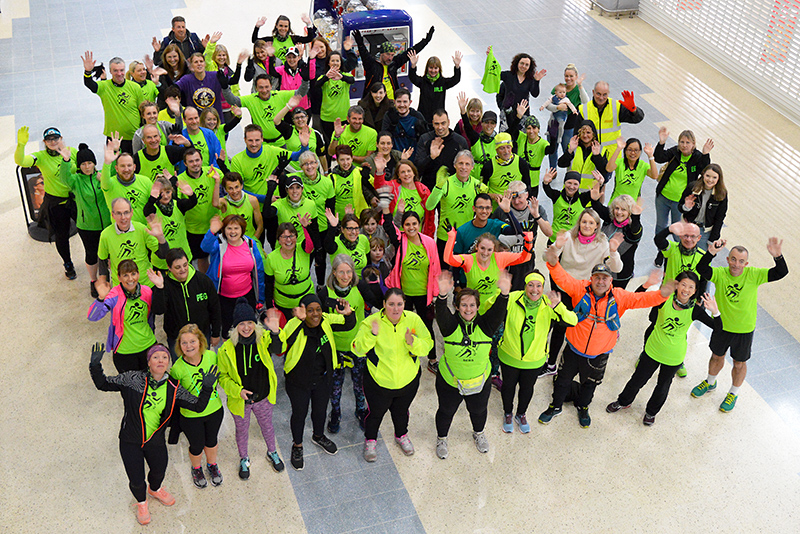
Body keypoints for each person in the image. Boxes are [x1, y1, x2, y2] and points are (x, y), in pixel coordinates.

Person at [538, 247, 675, 428]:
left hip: (599, 354)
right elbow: (563, 279)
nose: (600, 281)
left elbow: (641, 300)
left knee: (590, 385)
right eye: (597, 277)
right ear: (591, 279)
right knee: (562, 381)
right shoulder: (580, 289)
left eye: (605, 278)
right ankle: (555, 406)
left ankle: (583, 407)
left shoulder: (619, 297)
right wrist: (553, 263)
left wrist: (662, 294)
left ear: (611, 280)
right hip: (573, 349)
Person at [90, 342, 216, 525]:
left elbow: (197, 406)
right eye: (155, 357)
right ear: (148, 362)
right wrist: (95, 366)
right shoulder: (132, 378)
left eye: (165, 357)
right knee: (136, 479)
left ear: (168, 363)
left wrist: (206, 389)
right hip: (130, 439)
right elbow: (103, 384)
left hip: (154, 440)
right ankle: (142, 503)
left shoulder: (174, 387)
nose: (160, 360)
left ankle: (155, 489)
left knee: (159, 470)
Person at [607, 273, 719, 425]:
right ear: (677, 285)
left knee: (663, 386)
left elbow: (718, 328)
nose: (686, 289)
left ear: (695, 291)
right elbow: (637, 299)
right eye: (683, 284)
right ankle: (623, 401)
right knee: (638, 378)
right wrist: (647, 284)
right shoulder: (663, 299)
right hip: (653, 349)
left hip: (674, 356)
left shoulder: (695, 310)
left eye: (691, 287)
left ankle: (651, 413)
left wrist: (715, 312)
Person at [691, 237, 788, 412]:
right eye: (733, 259)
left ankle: (733, 393)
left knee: (739, 363)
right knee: (716, 357)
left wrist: (778, 256)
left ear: (746, 263)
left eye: (741, 261)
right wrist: (712, 251)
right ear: (728, 259)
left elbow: (781, 272)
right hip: (721, 326)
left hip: (744, 330)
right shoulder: (720, 273)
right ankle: (710, 382)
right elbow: (701, 269)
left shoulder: (754, 275)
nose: (736, 264)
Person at [267, 294, 355, 470]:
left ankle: (318, 436)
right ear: (302, 312)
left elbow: (348, 324)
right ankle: (297, 446)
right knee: (299, 415)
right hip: (298, 382)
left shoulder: (325, 320)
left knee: (320, 411)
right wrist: (275, 332)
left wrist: (348, 312)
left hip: (322, 379)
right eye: (310, 310)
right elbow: (278, 348)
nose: (315, 314)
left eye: (318, 309)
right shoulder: (294, 325)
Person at [434, 270, 511, 459]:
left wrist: (504, 294)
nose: (468, 309)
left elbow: (499, 312)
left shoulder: (485, 326)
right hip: (450, 382)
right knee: (446, 411)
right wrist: (442, 295)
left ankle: (478, 433)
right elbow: (441, 313)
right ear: (457, 307)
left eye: (472, 305)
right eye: (463, 305)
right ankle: (442, 438)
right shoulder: (450, 325)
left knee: (478, 411)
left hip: (479, 382)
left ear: (477, 307)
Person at [352, 288, 434, 462]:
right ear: (384, 304)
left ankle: (401, 435)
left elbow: (428, 345)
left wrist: (413, 342)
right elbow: (357, 349)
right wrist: (372, 335)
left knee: (401, 412)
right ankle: (371, 440)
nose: (396, 309)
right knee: (375, 414)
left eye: (399, 304)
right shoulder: (371, 322)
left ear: (404, 304)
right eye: (391, 304)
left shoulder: (413, 320)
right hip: (379, 383)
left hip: (408, 381)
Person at [544, 207, 624, 375]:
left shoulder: (602, 242)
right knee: (559, 326)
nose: (587, 225)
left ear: (597, 226)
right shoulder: (568, 237)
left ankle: (568, 364)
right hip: (565, 287)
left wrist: (614, 251)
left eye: (591, 223)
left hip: (584, 292)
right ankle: (551, 364)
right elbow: (546, 257)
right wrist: (556, 247)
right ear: (579, 222)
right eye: (584, 221)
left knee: (577, 326)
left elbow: (617, 268)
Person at [498, 270, 577, 433]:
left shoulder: (549, 304)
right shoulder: (512, 298)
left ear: (543, 288)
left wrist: (559, 306)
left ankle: (521, 414)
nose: (534, 290)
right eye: (531, 285)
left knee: (527, 388)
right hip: (509, 356)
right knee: (508, 387)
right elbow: (488, 307)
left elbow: (573, 320)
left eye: (538, 285)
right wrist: (502, 294)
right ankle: (507, 413)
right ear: (524, 286)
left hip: (535, 359)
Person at [217, 298, 284, 479]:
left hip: (263, 397)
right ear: (235, 326)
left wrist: (276, 331)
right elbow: (222, 377)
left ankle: (272, 452)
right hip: (240, 401)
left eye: (250, 323)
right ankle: (244, 458)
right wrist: (237, 391)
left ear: (255, 324)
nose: (246, 328)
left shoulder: (264, 339)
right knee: (242, 431)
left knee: (267, 426)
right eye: (241, 324)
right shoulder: (225, 350)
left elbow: (279, 348)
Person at [382, 207, 441, 370]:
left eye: (414, 223)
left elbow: (435, 268)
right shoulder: (400, 240)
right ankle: (406, 354)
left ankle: (432, 359)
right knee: (403, 327)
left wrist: (435, 293)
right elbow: (388, 226)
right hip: (404, 294)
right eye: (407, 224)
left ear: (419, 224)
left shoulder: (429, 243)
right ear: (403, 226)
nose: (411, 227)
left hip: (424, 294)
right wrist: (387, 210)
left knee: (427, 327)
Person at [15, 126, 78, 279]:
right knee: (61, 235)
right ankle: (68, 263)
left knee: (87, 230)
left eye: (56, 138)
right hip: (56, 203)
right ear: (44, 142)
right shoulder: (41, 157)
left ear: (61, 139)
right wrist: (21, 145)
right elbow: (22, 161)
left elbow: (87, 168)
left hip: (76, 200)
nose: (53, 141)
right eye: (49, 139)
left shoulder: (72, 151)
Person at [319, 254, 372, 433]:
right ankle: (335, 413)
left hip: (357, 347)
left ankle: (361, 410)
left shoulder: (360, 287)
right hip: (335, 348)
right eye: (341, 272)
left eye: (349, 271)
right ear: (334, 272)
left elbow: (378, 301)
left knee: (360, 384)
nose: (345, 276)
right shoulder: (325, 293)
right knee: (335, 385)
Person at [168, 324, 225, 488]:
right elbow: (175, 396)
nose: (188, 346)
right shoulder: (177, 368)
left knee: (212, 440)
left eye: (192, 341)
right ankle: (197, 468)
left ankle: (212, 465)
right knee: (197, 445)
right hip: (191, 416)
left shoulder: (211, 356)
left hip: (214, 410)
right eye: (184, 343)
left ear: (200, 341)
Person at [88, 260, 165, 372]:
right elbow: (93, 316)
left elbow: (159, 310)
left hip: (148, 346)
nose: (130, 279)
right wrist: (101, 298)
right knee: (130, 388)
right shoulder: (114, 295)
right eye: (125, 275)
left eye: (133, 274)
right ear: (119, 277)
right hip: (124, 352)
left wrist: (160, 287)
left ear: (138, 274)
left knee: (151, 387)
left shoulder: (146, 291)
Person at [653, 126, 713, 266]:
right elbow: (659, 157)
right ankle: (661, 252)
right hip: (663, 197)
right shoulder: (675, 152)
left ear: (693, 144)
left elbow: (705, 170)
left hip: (680, 203)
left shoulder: (697, 157)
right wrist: (661, 143)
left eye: (687, 142)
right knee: (660, 226)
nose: (684, 145)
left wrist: (705, 154)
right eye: (682, 142)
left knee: (678, 231)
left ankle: (679, 254)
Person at [59, 143, 111, 296]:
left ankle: (109, 279)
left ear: (94, 163)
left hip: (107, 224)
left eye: (89, 163)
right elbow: (64, 178)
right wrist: (66, 161)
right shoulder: (76, 181)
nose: (87, 167)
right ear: (79, 166)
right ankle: (94, 281)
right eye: (83, 164)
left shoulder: (102, 176)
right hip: (87, 226)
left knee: (109, 254)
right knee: (91, 253)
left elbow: (115, 170)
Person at [201, 214, 265, 337]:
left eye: (236, 228)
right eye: (229, 228)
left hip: (247, 294)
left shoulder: (250, 244)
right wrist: (212, 231)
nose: (233, 232)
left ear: (242, 230)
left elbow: (259, 271)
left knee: (248, 328)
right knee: (227, 330)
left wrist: (260, 298)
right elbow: (205, 247)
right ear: (224, 230)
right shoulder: (219, 244)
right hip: (224, 297)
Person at [155, 248, 222, 361]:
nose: (183, 269)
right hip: (176, 338)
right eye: (177, 267)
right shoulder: (165, 285)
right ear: (169, 268)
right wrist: (160, 288)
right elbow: (158, 310)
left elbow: (215, 308)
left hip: (202, 334)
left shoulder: (203, 281)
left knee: (204, 368)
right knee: (180, 370)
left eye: (185, 265)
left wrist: (215, 333)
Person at [425, 150, 488, 263]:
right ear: (455, 165)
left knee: (464, 275)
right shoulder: (445, 183)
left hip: (467, 237)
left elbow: (487, 204)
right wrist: (438, 187)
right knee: (444, 275)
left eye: (467, 164)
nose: (463, 167)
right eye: (460, 163)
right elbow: (429, 206)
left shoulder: (476, 184)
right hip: (445, 236)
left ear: (472, 167)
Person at [220, 72, 309, 146]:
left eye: (267, 87)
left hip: (281, 142)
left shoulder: (280, 95)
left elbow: (300, 93)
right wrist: (225, 88)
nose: (264, 90)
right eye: (261, 87)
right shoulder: (251, 99)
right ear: (256, 88)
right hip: (262, 144)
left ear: (271, 86)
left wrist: (305, 80)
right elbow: (233, 101)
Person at [97, 198, 168, 288]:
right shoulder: (105, 235)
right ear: (113, 215)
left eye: (126, 212)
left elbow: (163, 254)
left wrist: (160, 237)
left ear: (131, 213)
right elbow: (102, 263)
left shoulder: (142, 229)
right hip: (121, 287)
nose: (123, 217)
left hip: (145, 284)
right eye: (119, 213)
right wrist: (103, 285)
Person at [82, 52, 145, 154]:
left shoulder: (135, 87)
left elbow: (142, 110)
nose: (119, 73)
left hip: (134, 136)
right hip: (114, 139)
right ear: (110, 71)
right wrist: (87, 72)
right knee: (114, 167)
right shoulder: (104, 87)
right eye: (115, 71)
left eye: (121, 70)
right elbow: (89, 84)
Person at [494, 180, 552, 289]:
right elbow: (490, 234)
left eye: (519, 197)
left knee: (523, 291)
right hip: (507, 259)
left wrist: (537, 216)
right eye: (513, 198)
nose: (516, 202)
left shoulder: (536, 208)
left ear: (527, 195)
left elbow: (549, 232)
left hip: (526, 258)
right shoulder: (502, 210)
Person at [352, 26, 435, 98]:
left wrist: (425, 41)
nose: (390, 58)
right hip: (375, 104)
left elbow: (411, 51)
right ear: (381, 54)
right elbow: (364, 54)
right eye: (388, 54)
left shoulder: (393, 64)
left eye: (392, 55)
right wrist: (360, 43)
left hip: (392, 104)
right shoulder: (372, 65)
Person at [589, 180, 643, 289]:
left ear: (629, 213)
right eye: (617, 208)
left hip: (620, 275)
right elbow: (598, 208)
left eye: (624, 210)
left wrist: (636, 216)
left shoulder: (631, 229)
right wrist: (594, 199)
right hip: (602, 268)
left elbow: (635, 231)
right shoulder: (610, 219)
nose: (619, 212)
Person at [577, 81, 645, 162]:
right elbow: (577, 134)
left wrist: (634, 110)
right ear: (593, 92)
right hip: (591, 155)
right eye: (598, 94)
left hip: (611, 156)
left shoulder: (616, 106)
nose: (601, 98)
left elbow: (637, 119)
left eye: (604, 94)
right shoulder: (584, 109)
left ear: (608, 93)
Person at [178, 150, 221, 273]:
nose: (195, 164)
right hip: (193, 229)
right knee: (201, 258)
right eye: (191, 161)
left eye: (197, 160)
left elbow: (231, 181)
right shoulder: (180, 180)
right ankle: (205, 281)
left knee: (218, 257)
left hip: (214, 226)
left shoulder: (212, 172)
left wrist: (221, 164)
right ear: (185, 164)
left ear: (202, 160)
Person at [142, 176, 197, 271]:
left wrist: (191, 195)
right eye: (161, 193)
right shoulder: (152, 209)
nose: (165, 196)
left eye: (168, 192)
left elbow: (192, 203)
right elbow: (146, 210)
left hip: (183, 257)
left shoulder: (178, 205)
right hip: (162, 262)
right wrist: (152, 199)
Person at [263, 221, 316, 320]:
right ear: (279, 240)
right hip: (283, 305)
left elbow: (313, 242)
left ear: (296, 237)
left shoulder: (304, 249)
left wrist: (306, 227)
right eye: (284, 237)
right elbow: (268, 284)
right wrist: (270, 307)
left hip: (306, 303)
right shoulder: (271, 258)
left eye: (291, 236)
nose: (288, 240)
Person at [373, 159, 436, 238]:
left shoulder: (424, 191)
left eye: (409, 171)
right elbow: (379, 186)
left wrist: (429, 239)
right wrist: (379, 171)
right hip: (396, 237)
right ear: (398, 175)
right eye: (402, 172)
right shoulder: (393, 187)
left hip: (417, 237)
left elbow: (429, 219)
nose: (406, 174)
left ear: (414, 173)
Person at [414, 109, 469, 189]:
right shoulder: (425, 139)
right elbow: (417, 168)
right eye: (437, 124)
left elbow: (466, 166)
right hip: (429, 188)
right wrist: (431, 157)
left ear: (449, 122)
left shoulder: (460, 141)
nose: (440, 127)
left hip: (452, 188)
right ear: (432, 123)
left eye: (443, 123)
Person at [547, 63, 589, 169]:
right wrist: (557, 107)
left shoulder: (577, 90)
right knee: (552, 150)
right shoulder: (559, 88)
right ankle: (553, 171)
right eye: (566, 76)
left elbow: (586, 102)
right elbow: (549, 105)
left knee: (568, 151)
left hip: (570, 127)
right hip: (555, 124)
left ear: (576, 76)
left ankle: (570, 173)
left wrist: (580, 85)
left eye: (571, 76)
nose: (568, 78)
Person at [679, 163, 728, 250]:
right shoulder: (692, 187)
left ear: (719, 179)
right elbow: (680, 207)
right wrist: (686, 207)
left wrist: (712, 239)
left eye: (714, 177)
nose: (710, 180)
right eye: (708, 176)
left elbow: (720, 218)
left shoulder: (721, 194)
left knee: (700, 259)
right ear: (703, 175)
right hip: (688, 227)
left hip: (705, 232)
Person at [273, 97, 327, 173]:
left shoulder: (315, 133)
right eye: (297, 118)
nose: (300, 120)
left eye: (302, 117)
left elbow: (322, 155)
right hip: (293, 171)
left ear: (307, 117)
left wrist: (326, 171)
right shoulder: (289, 131)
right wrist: (288, 106)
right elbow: (276, 120)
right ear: (293, 120)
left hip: (312, 169)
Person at [509, 112, 556, 197]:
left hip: (532, 182)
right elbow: (512, 130)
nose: (531, 131)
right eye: (528, 128)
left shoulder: (542, 143)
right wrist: (516, 116)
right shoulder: (522, 137)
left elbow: (551, 150)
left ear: (538, 129)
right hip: (519, 178)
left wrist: (553, 138)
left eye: (534, 128)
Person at [495, 51, 546, 131]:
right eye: (522, 63)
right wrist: (502, 106)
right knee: (505, 137)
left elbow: (535, 94)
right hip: (507, 113)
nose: (524, 66)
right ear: (517, 63)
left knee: (520, 139)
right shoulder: (508, 75)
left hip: (523, 114)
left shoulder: (530, 79)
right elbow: (493, 74)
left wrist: (536, 81)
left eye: (527, 65)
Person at [407, 50, 462, 123]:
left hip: (438, 118)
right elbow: (413, 78)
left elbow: (456, 79)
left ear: (439, 69)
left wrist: (457, 67)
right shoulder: (423, 81)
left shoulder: (443, 82)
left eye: (436, 68)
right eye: (431, 68)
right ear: (427, 68)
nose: (433, 70)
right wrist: (413, 66)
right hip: (423, 118)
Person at [541, 170, 593, 243]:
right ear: (564, 183)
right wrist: (545, 183)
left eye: (575, 184)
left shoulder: (582, 199)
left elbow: (594, 192)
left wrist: (600, 183)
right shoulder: (557, 196)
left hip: (572, 241)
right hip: (554, 239)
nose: (572, 186)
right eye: (569, 183)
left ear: (579, 185)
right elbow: (548, 190)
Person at [212, 171, 264, 243]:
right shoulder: (224, 202)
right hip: (230, 242)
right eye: (230, 188)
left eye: (237, 187)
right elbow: (215, 203)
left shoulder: (252, 200)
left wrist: (252, 242)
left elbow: (260, 226)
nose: (234, 191)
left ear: (242, 186)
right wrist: (217, 182)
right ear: (225, 189)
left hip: (249, 240)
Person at [558, 120, 608, 191]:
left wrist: (597, 156)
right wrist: (569, 151)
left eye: (588, 133)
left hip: (589, 193)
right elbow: (561, 164)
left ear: (593, 134)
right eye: (582, 133)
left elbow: (604, 171)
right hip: (571, 191)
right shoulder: (573, 147)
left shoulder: (601, 150)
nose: (585, 135)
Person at [604, 137, 657, 202]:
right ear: (625, 151)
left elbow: (654, 176)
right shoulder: (620, 162)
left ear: (640, 152)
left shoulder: (643, 166)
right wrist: (618, 149)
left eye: (636, 150)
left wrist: (650, 156)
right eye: (629, 150)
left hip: (632, 206)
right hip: (616, 204)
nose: (633, 153)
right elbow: (609, 169)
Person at [332, 145, 378, 219]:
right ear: (337, 160)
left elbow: (376, 184)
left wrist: (370, 175)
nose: (345, 163)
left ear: (352, 159)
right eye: (342, 160)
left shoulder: (360, 172)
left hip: (361, 216)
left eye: (348, 159)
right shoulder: (331, 177)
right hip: (341, 218)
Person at [381, 88, 429, 153]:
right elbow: (383, 137)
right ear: (394, 102)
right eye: (399, 101)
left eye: (405, 101)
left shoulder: (417, 116)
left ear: (410, 102)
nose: (402, 105)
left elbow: (425, 139)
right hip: (395, 157)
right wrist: (392, 126)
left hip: (414, 158)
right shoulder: (389, 115)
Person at [252, 14, 317, 62]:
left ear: (288, 27)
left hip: (289, 71)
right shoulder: (271, 40)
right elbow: (255, 41)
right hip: (276, 71)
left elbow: (309, 39)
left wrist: (308, 25)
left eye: (285, 26)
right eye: (281, 26)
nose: (283, 28)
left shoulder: (293, 39)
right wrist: (257, 27)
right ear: (276, 26)